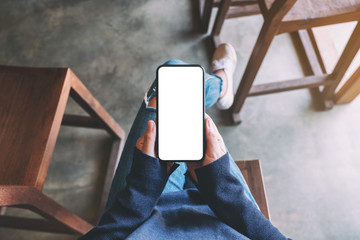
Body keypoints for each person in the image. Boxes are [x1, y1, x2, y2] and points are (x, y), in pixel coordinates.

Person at [79, 44, 290, 239]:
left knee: (172, 74)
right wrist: (225, 194)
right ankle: (222, 85)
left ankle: (220, 85)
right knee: (179, 81)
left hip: (140, 216)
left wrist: (141, 192)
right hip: (231, 216)